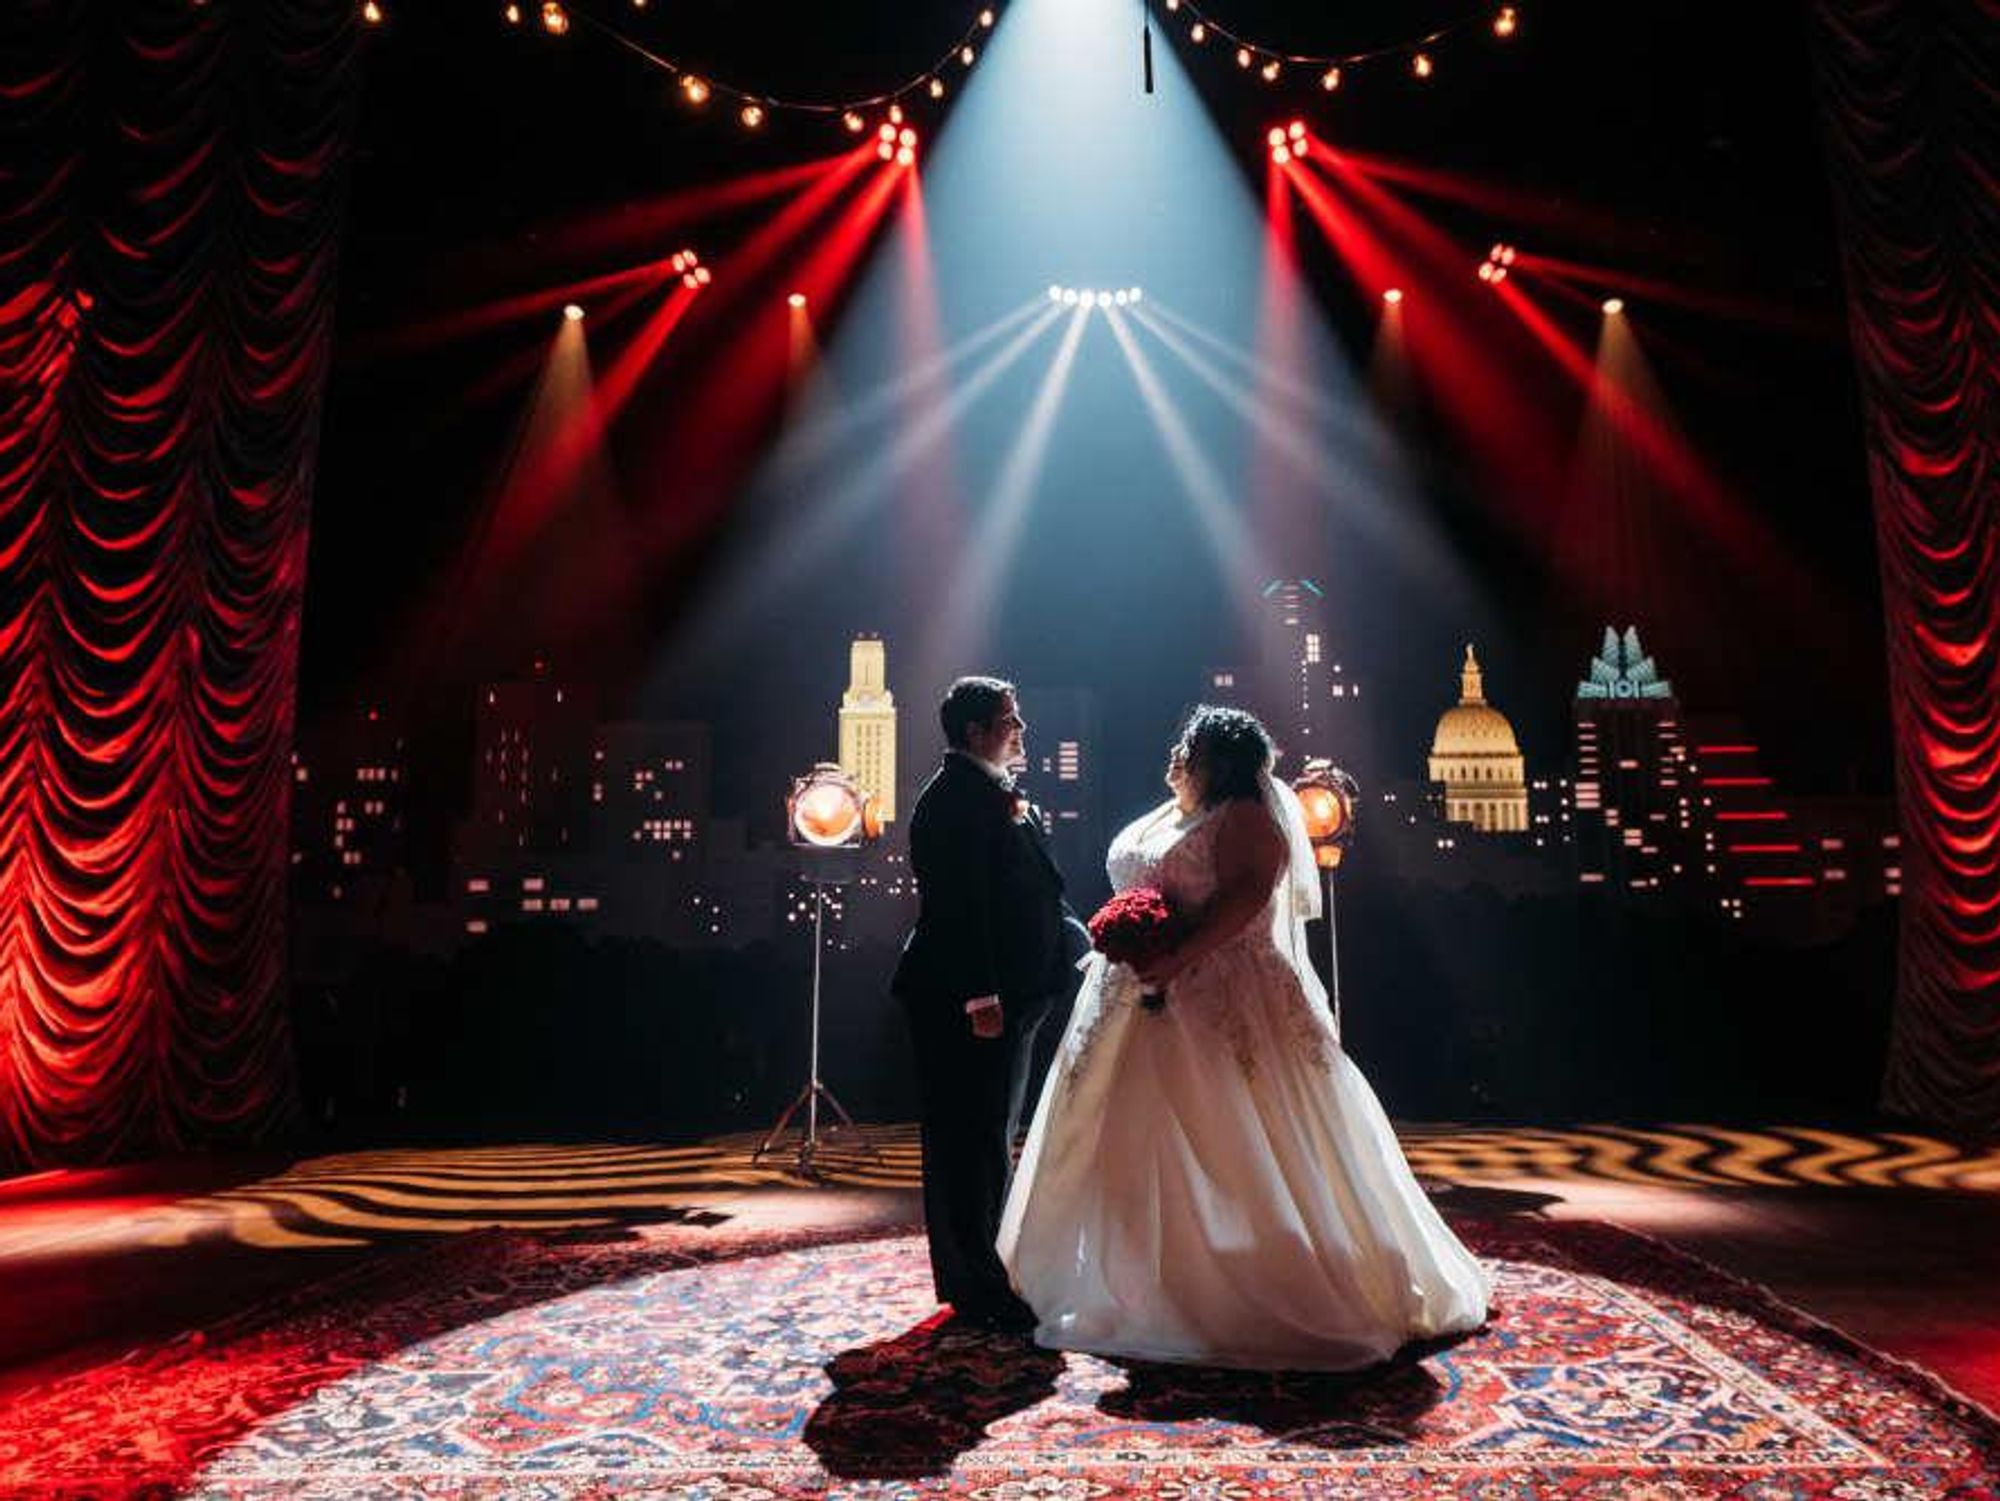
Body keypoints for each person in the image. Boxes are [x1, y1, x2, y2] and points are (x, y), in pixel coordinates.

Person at [998, 705, 1490, 1369]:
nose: (1173, 755)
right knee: (1127, 1134)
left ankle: (1245, 1282)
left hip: (1219, 991)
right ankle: (1129, 1273)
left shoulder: (1248, 820)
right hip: (1132, 996)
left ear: (1217, 764)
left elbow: (1244, 902)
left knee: (1234, 1129)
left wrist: (1175, 958)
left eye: (1188, 748)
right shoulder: (1175, 814)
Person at [892, 677, 1084, 1331]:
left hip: (1014, 994)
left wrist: (1080, 943)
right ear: (976, 732)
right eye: (1010, 718)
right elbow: (959, 908)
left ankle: (989, 1271)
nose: (1021, 729)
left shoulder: (992, 791)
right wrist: (982, 996)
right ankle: (977, 1285)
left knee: (990, 1135)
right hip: (969, 1000)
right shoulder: (950, 801)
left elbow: (1033, 888)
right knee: (968, 1140)